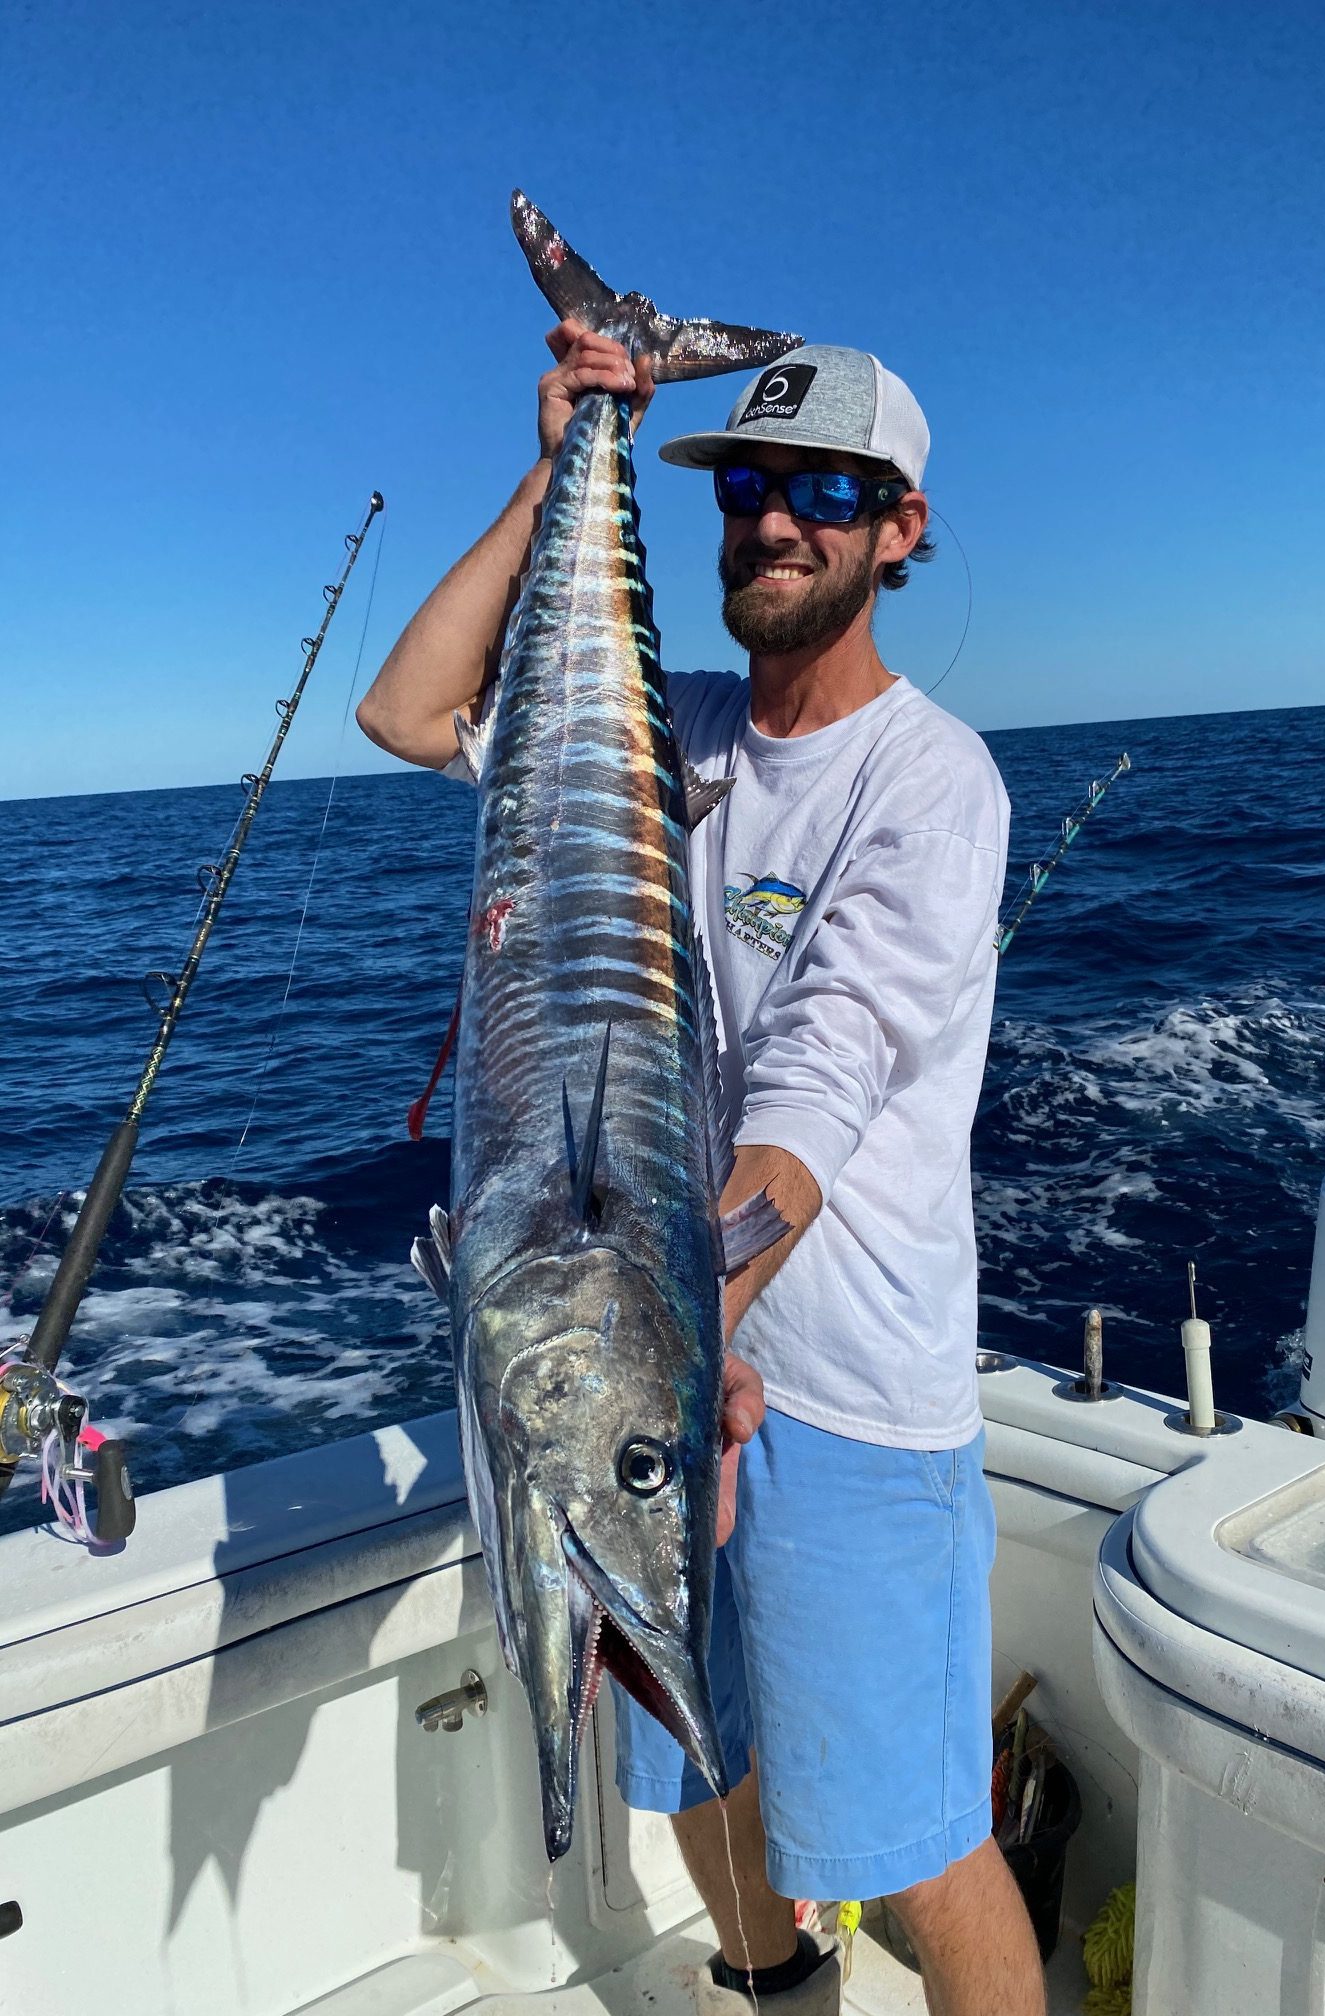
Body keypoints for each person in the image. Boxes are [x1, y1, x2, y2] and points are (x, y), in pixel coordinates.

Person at [357, 321, 1044, 2016]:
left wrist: (681, 1327)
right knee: (692, 1778)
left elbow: (823, 1089)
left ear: (902, 527)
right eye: (747, 485)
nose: (775, 521)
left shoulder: (932, 784)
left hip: (840, 1406)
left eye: (825, 490)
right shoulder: (665, 735)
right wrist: (572, 448)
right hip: (679, 1385)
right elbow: (408, 707)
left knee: (916, 1848)